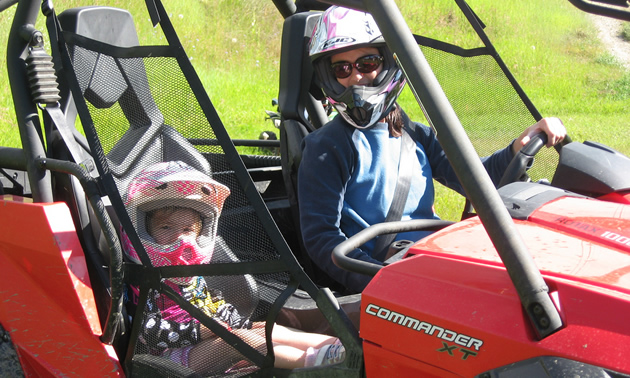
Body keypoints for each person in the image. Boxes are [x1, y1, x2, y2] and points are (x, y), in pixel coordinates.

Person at [298, 6, 567, 294]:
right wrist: (381, 283)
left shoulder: (413, 134)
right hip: (389, 273)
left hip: (432, 257)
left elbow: (477, 181)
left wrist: (519, 147)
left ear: (387, 62)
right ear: (329, 76)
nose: (356, 77)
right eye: (342, 68)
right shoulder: (327, 147)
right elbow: (322, 239)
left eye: (367, 62)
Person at [121, 161, 345, 374]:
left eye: (188, 229)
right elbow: (147, 332)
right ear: (144, 230)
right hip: (172, 359)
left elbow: (209, 304)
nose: (180, 239)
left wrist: (234, 321)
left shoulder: (190, 274)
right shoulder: (145, 281)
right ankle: (318, 364)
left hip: (207, 339)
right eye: (166, 227)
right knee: (239, 341)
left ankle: (341, 346)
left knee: (266, 329)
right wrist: (200, 331)